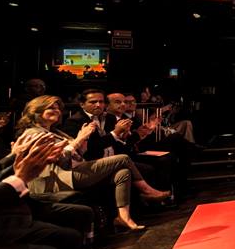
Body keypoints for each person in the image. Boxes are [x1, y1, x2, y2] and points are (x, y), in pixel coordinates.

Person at [16, 96, 171, 231]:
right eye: (51, 108)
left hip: (73, 171)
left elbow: (76, 155)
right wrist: (79, 139)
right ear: (36, 111)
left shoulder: (55, 132)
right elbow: (61, 161)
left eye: (57, 108)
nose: (56, 111)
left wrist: (82, 143)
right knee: (123, 159)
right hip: (57, 179)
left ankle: (123, 217)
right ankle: (147, 191)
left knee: (123, 173)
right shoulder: (33, 133)